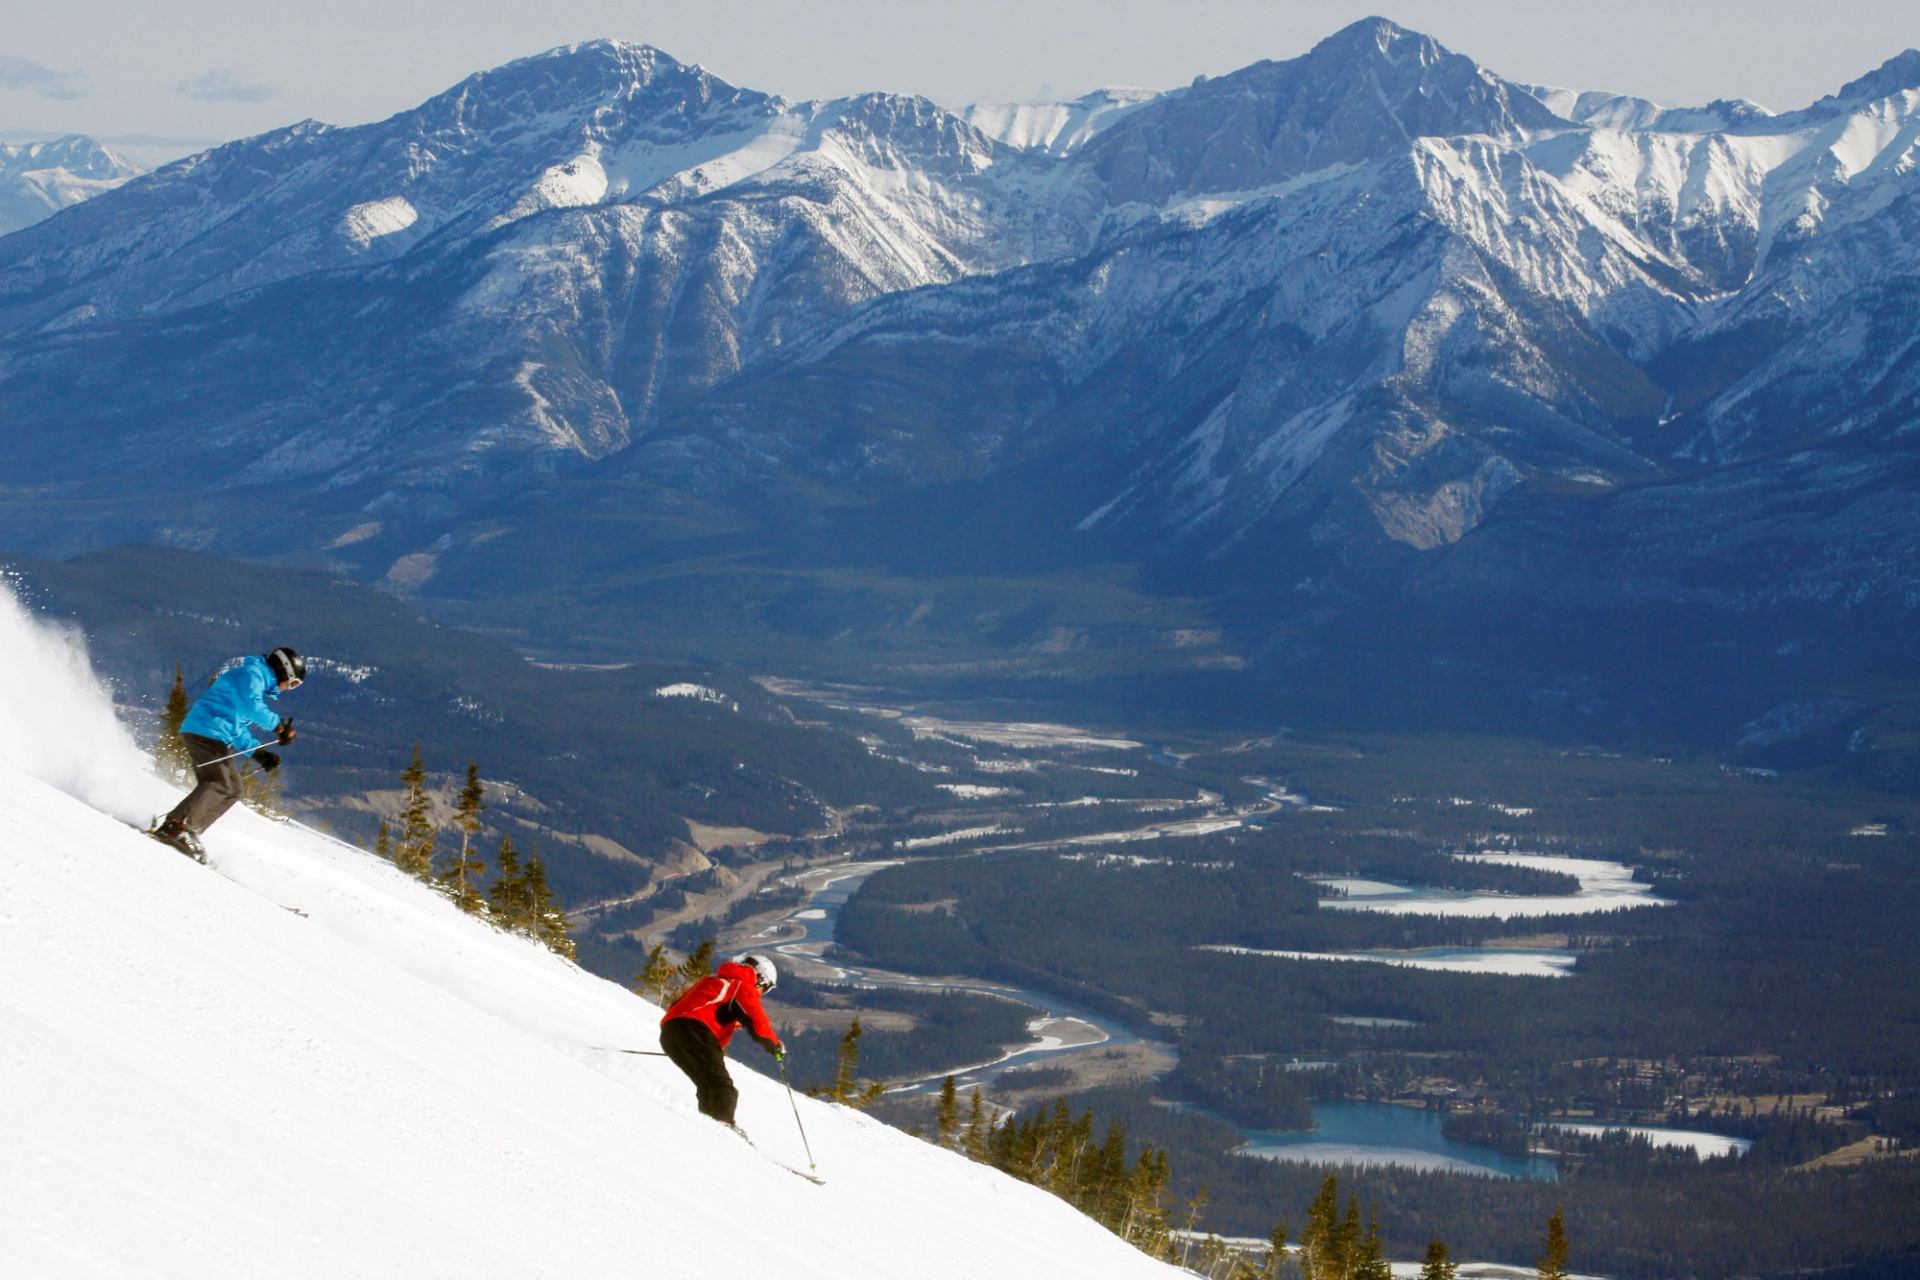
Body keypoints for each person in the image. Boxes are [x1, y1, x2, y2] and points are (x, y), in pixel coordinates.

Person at [152, 647, 304, 862]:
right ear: (284, 671)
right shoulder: (252, 676)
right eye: (293, 683)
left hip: (212, 734)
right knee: (220, 782)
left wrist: (259, 753)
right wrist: (279, 726)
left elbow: (238, 727)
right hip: (205, 731)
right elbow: (252, 707)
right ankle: (177, 826)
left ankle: (190, 830)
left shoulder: (255, 683)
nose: (290, 688)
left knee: (233, 789)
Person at [658, 953, 785, 1127]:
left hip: (669, 1033)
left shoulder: (712, 982)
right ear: (760, 979)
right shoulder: (741, 986)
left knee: (708, 1084)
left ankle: (709, 1125)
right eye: (766, 987)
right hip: (695, 1031)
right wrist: (775, 1045)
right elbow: (757, 1022)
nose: (762, 993)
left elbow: (682, 1007)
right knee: (722, 1087)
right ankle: (722, 1130)